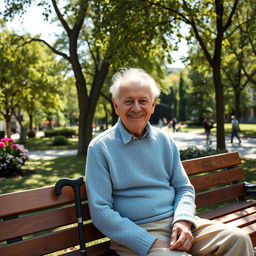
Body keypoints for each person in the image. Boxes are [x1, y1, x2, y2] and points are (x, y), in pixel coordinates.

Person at [86, 68, 253, 256]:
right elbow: (101, 211)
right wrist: (148, 242)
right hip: (136, 233)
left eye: (143, 101)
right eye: (128, 101)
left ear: (153, 105)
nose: (136, 108)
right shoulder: (100, 148)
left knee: (238, 240)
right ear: (116, 106)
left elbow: (184, 188)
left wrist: (183, 220)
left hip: (177, 223)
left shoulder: (165, 141)